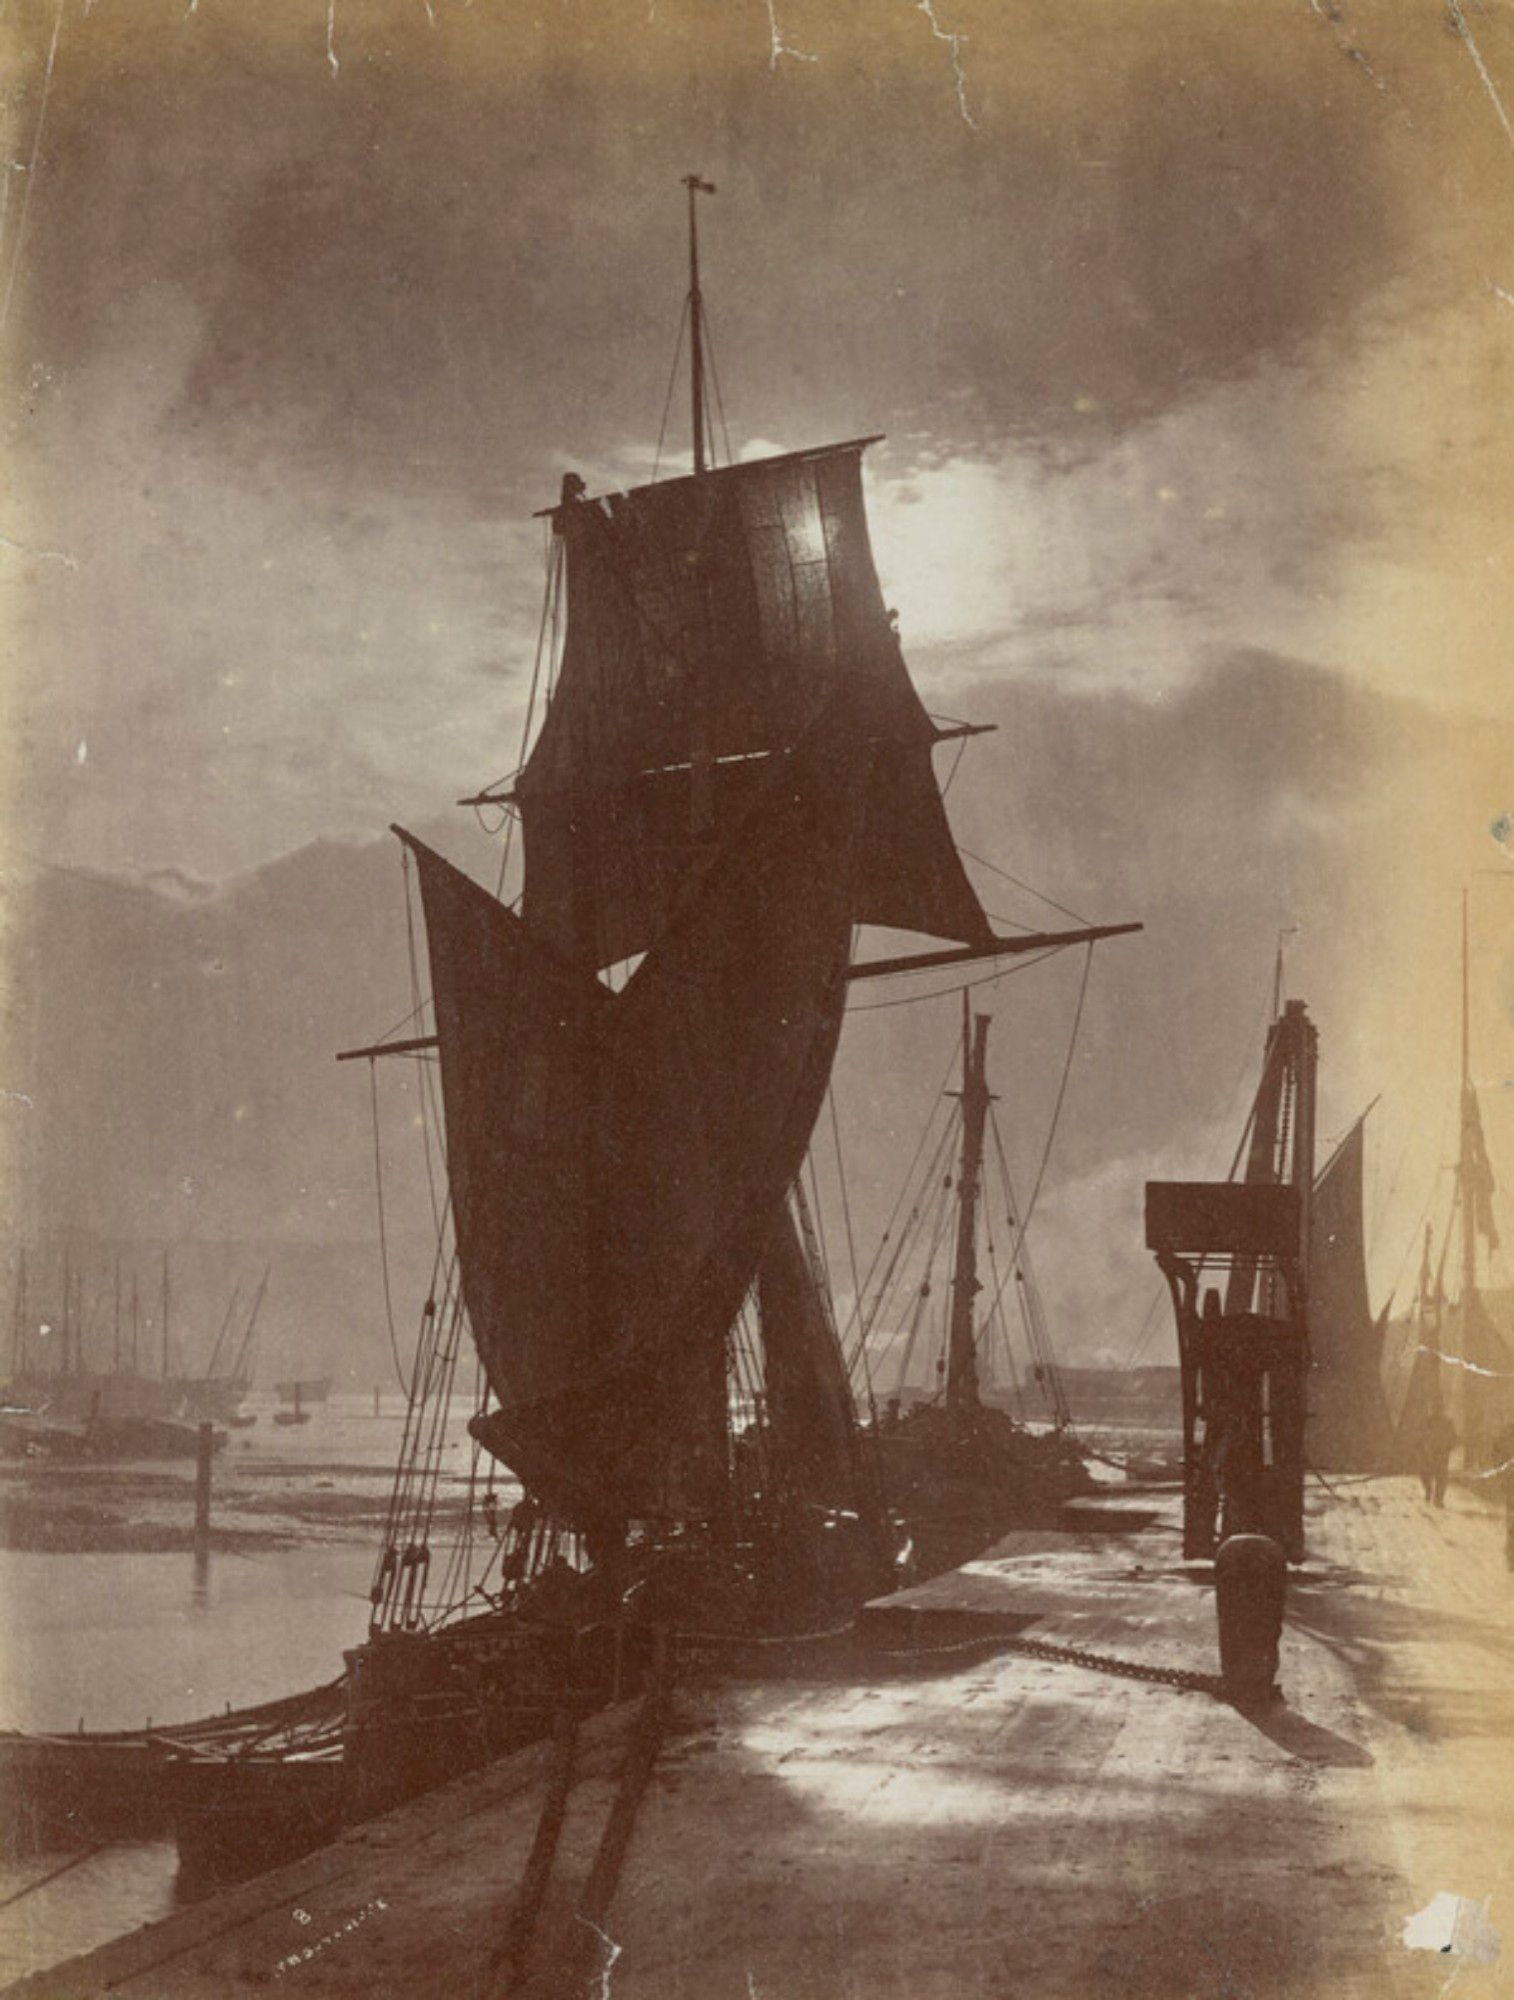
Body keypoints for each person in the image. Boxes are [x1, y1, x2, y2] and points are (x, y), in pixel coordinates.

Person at [1421, 1405, 1457, 1507]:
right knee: (1427, 1474)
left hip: (1442, 1452)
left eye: (1439, 1408)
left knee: (1441, 1476)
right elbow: (1423, 1435)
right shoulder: (1428, 1421)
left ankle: (1438, 1499)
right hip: (1430, 1452)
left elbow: (1453, 1437)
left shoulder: (1447, 1422)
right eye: (1435, 1408)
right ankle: (1430, 1492)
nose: (1437, 1411)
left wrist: (1448, 1447)